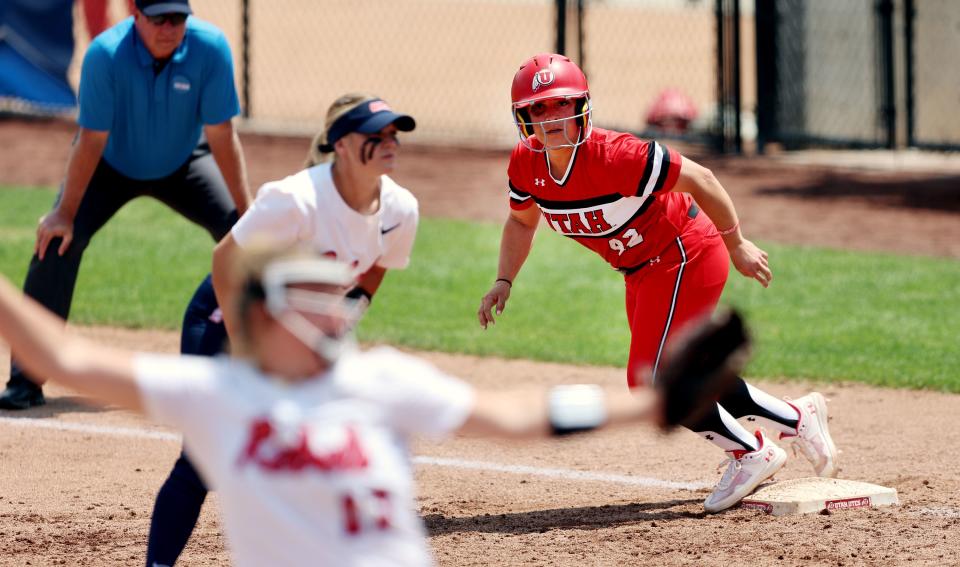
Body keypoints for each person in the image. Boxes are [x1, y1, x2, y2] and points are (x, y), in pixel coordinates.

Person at [0, 250, 747, 566]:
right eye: (315, 301)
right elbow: (64, 359)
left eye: (339, 299)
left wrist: (646, 406)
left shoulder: (381, 378)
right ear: (262, 318)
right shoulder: (219, 394)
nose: (339, 314)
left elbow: (517, 416)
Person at [477, 53, 840, 513]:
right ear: (523, 117)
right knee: (683, 372)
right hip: (643, 270)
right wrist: (504, 279)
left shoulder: (618, 156)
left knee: (649, 379)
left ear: (582, 107)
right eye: (538, 109)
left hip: (686, 252)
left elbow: (702, 179)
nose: (551, 117)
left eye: (561, 104)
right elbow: (521, 223)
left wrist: (738, 244)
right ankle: (797, 416)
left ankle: (752, 452)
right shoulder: (527, 166)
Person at [146, 94, 420, 566]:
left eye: (394, 133)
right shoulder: (296, 199)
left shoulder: (401, 209)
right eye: (376, 135)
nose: (390, 142)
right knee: (204, 457)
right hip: (226, 320)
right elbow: (225, 263)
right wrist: (248, 358)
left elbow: (376, 267)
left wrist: (338, 326)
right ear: (343, 144)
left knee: (315, 446)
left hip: (295, 339)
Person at [0, 0, 252, 410]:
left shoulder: (210, 47)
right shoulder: (106, 54)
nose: (169, 28)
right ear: (136, 15)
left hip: (185, 161)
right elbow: (91, 140)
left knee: (245, 239)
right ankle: (26, 379)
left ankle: (253, 370)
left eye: (178, 18)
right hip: (109, 165)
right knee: (57, 241)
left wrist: (247, 213)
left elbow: (222, 135)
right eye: (159, 18)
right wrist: (64, 213)